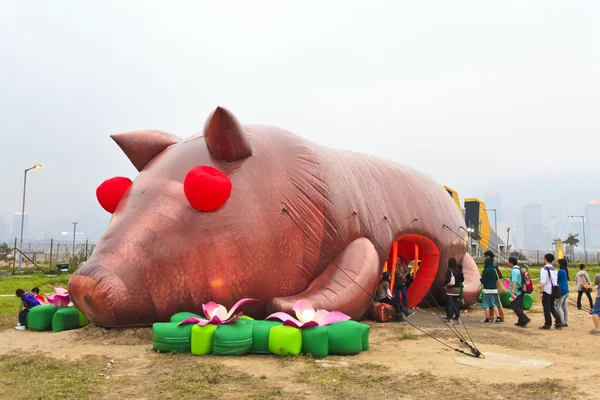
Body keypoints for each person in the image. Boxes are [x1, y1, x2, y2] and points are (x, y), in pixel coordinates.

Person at [539, 253, 562, 330]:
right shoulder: (554, 269)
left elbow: (543, 282)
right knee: (552, 307)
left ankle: (547, 324)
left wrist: (541, 292)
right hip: (554, 290)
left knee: (546, 308)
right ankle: (558, 321)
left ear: (545, 259)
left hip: (546, 290)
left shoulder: (543, 269)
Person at [508, 257, 531, 327]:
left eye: (508, 261)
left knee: (514, 305)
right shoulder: (519, 269)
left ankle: (524, 319)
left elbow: (514, 282)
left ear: (511, 262)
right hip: (521, 290)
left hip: (517, 291)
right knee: (519, 305)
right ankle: (521, 321)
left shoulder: (514, 271)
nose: (507, 263)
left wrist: (512, 292)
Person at [484, 250, 504, 322]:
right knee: (495, 302)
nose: (484, 258)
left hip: (492, 285)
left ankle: (493, 317)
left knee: (494, 302)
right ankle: (496, 317)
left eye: (485, 256)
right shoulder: (494, 264)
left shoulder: (491, 265)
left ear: (488, 256)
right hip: (494, 285)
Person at [442, 257, 464, 324]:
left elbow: (447, 280)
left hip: (451, 290)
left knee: (450, 304)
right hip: (457, 289)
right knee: (456, 304)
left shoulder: (449, 271)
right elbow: (462, 279)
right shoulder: (458, 271)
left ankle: (450, 319)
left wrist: (444, 285)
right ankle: (458, 318)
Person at [480, 257, 501, 323]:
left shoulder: (485, 270)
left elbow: (483, 280)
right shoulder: (494, 270)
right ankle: (498, 318)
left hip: (486, 290)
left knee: (486, 305)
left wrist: (480, 280)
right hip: (494, 289)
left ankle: (487, 318)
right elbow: (496, 279)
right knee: (494, 304)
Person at [555, 258, 570, 327]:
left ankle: (561, 321)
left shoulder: (560, 271)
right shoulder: (565, 271)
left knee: (558, 306)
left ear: (560, 264)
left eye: (558, 263)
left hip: (561, 291)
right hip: (566, 290)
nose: (557, 264)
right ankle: (565, 321)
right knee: (564, 307)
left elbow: (555, 279)